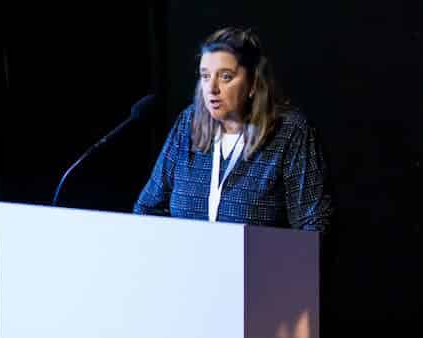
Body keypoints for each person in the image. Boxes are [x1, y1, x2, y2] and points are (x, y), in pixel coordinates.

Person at [134, 27, 332, 230]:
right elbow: (147, 209)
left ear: (253, 83)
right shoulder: (189, 123)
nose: (212, 89)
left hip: (260, 252)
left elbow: (313, 224)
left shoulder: (289, 131)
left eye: (225, 77)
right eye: (205, 76)